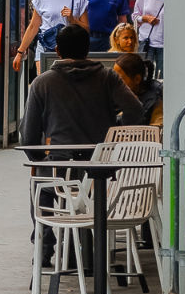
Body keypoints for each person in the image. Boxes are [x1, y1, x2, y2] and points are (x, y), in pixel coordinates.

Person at [21, 23, 145, 268]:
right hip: (103, 173)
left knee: (41, 188)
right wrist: (115, 131)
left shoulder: (42, 84)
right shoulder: (107, 77)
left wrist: (38, 161)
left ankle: (45, 250)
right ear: (88, 50)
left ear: (57, 51)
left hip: (60, 170)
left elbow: (29, 138)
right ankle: (87, 248)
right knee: (79, 190)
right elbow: (135, 110)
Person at [13, 0, 88, 75]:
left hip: (71, 51)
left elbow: (86, 29)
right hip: (46, 49)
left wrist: (73, 20)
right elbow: (33, 26)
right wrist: (20, 52)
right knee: (45, 85)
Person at [112, 52, 163, 127]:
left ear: (137, 79)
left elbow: (156, 129)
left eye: (120, 79)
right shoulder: (116, 96)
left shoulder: (156, 98)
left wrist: (131, 107)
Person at [132, 0, 165, 75]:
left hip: (164, 44)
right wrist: (145, 18)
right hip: (146, 42)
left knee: (163, 75)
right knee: (145, 74)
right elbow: (134, 16)